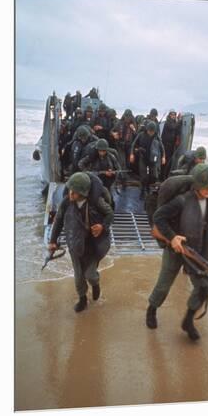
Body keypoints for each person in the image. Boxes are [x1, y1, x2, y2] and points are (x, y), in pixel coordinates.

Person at [146, 164, 208, 341]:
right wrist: (172, 237)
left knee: (203, 286)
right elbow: (159, 217)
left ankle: (188, 320)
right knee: (164, 284)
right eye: (204, 186)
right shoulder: (182, 200)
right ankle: (152, 309)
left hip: (196, 251)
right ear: (196, 185)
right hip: (176, 249)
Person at [48, 172, 114, 312]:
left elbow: (110, 213)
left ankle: (95, 284)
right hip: (74, 243)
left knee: (90, 275)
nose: (71, 194)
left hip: (93, 245)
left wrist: (103, 226)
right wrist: (53, 240)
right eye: (70, 190)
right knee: (78, 276)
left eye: (75, 192)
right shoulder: (66, 202)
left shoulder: (96, 202)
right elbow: (58, 221)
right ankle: (82, 299)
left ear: (84, 193)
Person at [130, 121, 165, 198]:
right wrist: (132, 154)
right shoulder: (141, 135)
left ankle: (148, 186)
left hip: (153, 159)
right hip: (143, 158)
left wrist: (163, 157)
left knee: (154, 176)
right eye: (149, 131)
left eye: (152, 131)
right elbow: (133, 144)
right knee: (144, 176)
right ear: (147, 129)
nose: (151, 133)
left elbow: (162, 147)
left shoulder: (157, 137)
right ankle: (142, 189)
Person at [161, 110, 182, 176]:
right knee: (165, 161)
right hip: (166, 145)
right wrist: (179, 120)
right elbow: (173, 127)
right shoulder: (168, 122)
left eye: (174, 115)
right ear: (169, 115)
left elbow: (176, 129)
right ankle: (162, 176)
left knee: (169, 161)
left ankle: (166, 175)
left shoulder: (174, 122)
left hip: (171, 145)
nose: (173, 116)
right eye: (172, 115)